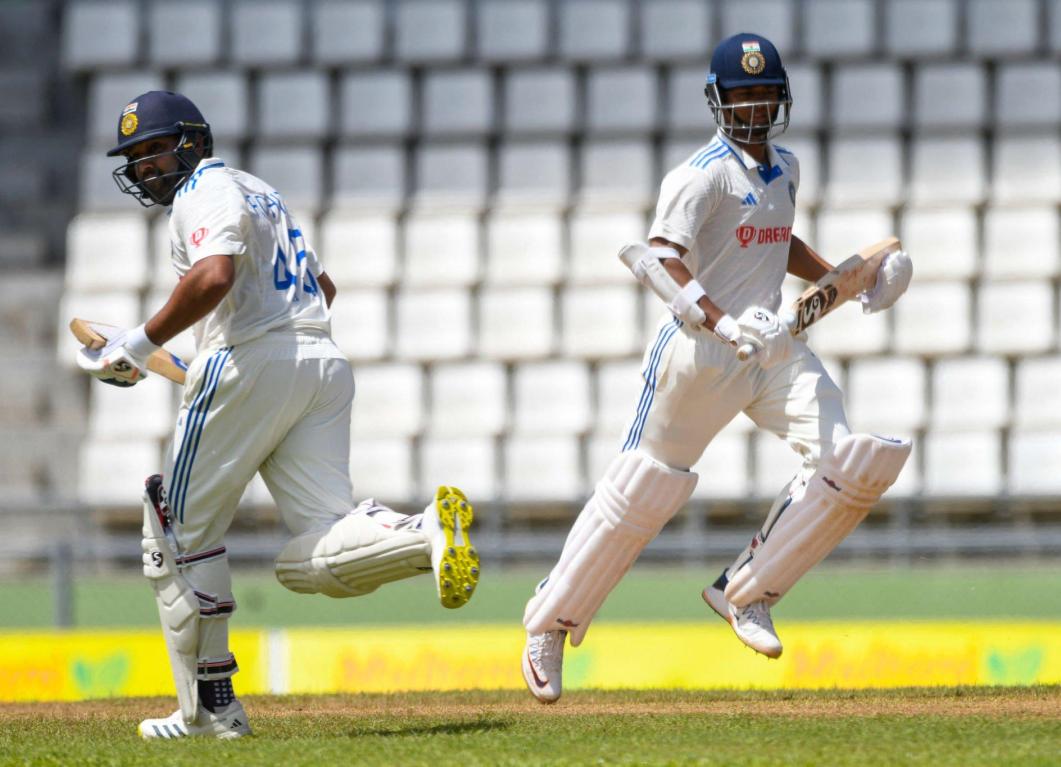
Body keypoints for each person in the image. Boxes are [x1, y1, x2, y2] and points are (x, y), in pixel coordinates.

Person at [520, 33, 913, 703]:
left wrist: (847, 281)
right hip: (699, 351)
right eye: (742, 95)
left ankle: (747, 591)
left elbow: (776, 238)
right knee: (643, 488)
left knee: (848, 459)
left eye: (765, 94)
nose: (755, 107)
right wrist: (723, 323)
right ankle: (549, 622)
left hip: (773, 347)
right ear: (718, 101)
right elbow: (661, 258)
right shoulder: (698, 175)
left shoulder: (786, 167)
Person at [77, 91, 480, 738]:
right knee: (310, 556)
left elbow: (213, 277)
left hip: (253, 364)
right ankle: (423, 531)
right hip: (319, 359)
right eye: (136, 156)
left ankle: (209, 711)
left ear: (194, 142)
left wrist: (140, 345)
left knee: (173, 538)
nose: (146, 165)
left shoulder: (203, 190)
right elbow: (323, 287)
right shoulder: (259, 191)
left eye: (156, 149)